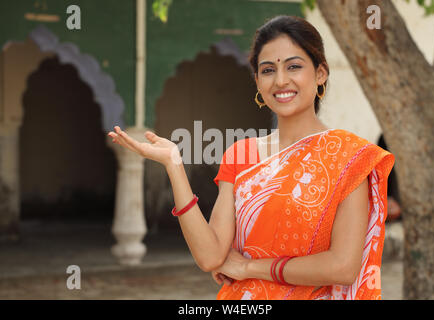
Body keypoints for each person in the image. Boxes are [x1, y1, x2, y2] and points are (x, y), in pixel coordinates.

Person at [108, 16, 395, 300]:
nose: (281, 80)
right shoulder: (241, 155)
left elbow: (343, 267)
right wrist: (174, 165)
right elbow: (210, 257)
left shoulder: (349, 157)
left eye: (294, 66)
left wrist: (249, 267)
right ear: (257, 81)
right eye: (268, 70)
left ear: (320, 74)